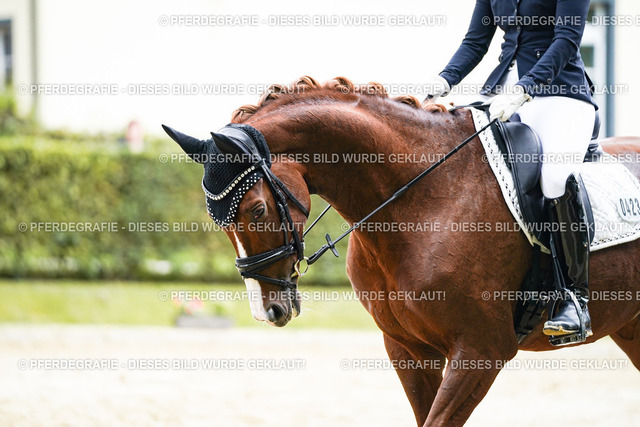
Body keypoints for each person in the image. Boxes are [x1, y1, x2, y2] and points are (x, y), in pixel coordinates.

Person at [425, 0, 597, 344]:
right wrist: (443, 80)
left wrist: (525, 88)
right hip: (500, 96)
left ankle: (573, 298)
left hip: (560, 95)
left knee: (554, 179)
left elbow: (566, 39)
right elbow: (475, 42)